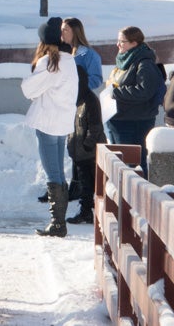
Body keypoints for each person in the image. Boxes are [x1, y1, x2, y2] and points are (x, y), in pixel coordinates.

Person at [21, 18, 79, 238]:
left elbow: (29, 90)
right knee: (58, 172)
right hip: (62, 123)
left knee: (52, 172)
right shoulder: (70, 61)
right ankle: (59, 222)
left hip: (47, 122)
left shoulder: (49, 62)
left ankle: (57, 223)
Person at [61, 17, 105, 223]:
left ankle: (85, 201)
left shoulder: (86, 54)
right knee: (74, 152)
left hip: (82, 103)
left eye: (66, 30)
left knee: (85, 161)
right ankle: (75, 188)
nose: (62, 34)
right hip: (70, 105)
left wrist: (79, 84)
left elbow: (95, 79)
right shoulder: (64, 52)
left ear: (76, 31)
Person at [105, 26, 164, 170]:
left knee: (132, 166)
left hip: (134, 123)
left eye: (122, 41)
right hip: (119, 120)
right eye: (118, 40)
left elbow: (144, 91)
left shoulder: (144, 63)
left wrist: (116, 92)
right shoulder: (124, 61)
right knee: (119, 164)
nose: (118, 44)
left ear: (134, 43)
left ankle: (135, 192)